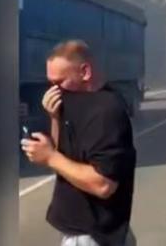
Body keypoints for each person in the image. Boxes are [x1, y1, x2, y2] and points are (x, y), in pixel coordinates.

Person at [22, 40, 137, 246]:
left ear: (85, 72)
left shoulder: (105, 111)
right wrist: (55, 117)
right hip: (85, 234)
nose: (53, 90)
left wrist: (49, 157)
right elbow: (65, 155)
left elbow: (103, 184)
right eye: (50, 83)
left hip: (93, 237)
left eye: (59, 82)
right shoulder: (74, 102)